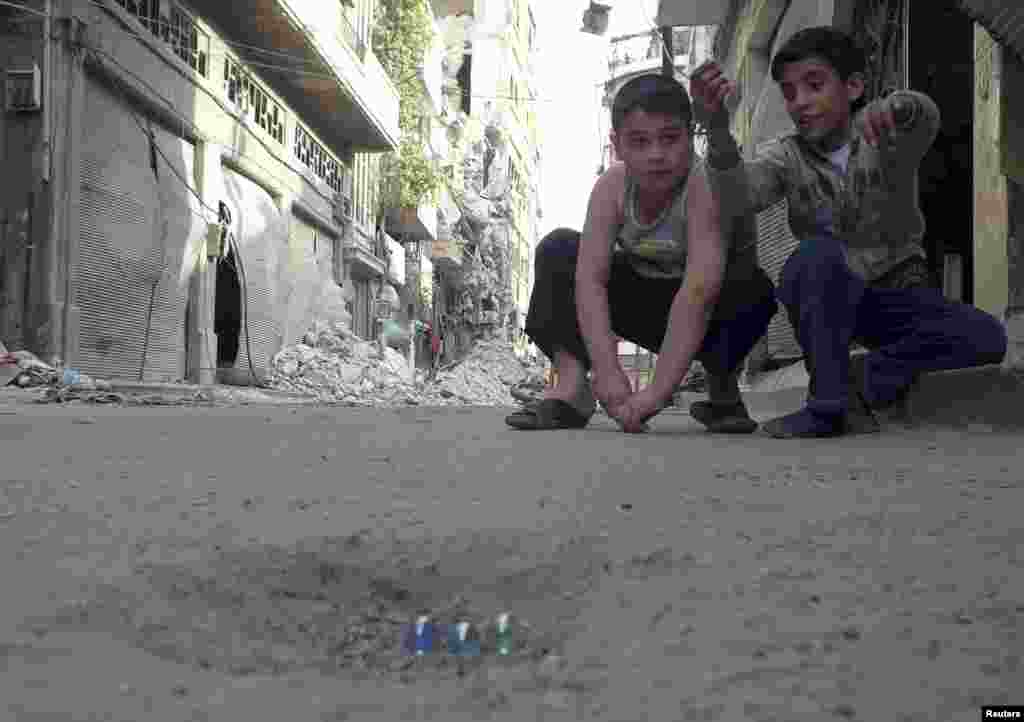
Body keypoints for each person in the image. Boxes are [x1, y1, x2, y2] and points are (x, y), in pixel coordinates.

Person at [690, 26, 1008, 438]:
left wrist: (900, 106)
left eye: (814, 85)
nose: (800, 102)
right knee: (815, 256)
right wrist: (717, 131)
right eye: (789, 93)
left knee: (987, 336)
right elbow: (740, 197)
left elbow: (925, 118)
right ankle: (826, 404)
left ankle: (864, 377)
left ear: (854, 86)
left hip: (900, 293)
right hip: (829, 297)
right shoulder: (786, 153)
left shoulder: (885, 133)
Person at [505, 73, 777, 433]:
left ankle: (722, 387)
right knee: (559, 249)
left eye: (670, 139)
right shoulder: (610, 188)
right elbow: (590, 280)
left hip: (703, 309)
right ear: (617, 145)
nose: (656, 154)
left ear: (690, 134)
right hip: (642, 304)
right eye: (639, 141)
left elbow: (699, 291)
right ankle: (572, 387)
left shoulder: (704, 185)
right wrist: (606, 370)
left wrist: (656, 394)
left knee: (752, 286)